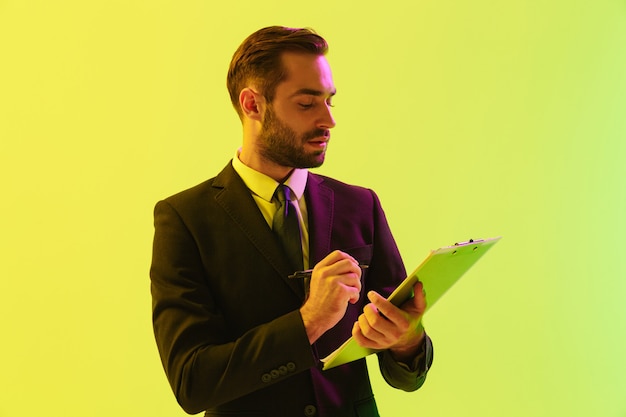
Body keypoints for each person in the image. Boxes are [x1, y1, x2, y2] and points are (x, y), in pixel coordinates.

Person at [150, 26, 433, 417]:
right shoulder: (184, 219)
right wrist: (308, 321)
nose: (329, 120)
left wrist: (408, 341)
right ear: (252, 105)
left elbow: (405, 374)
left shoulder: (360, 204)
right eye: (307, 104)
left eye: (331, 101)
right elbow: (192, 383)